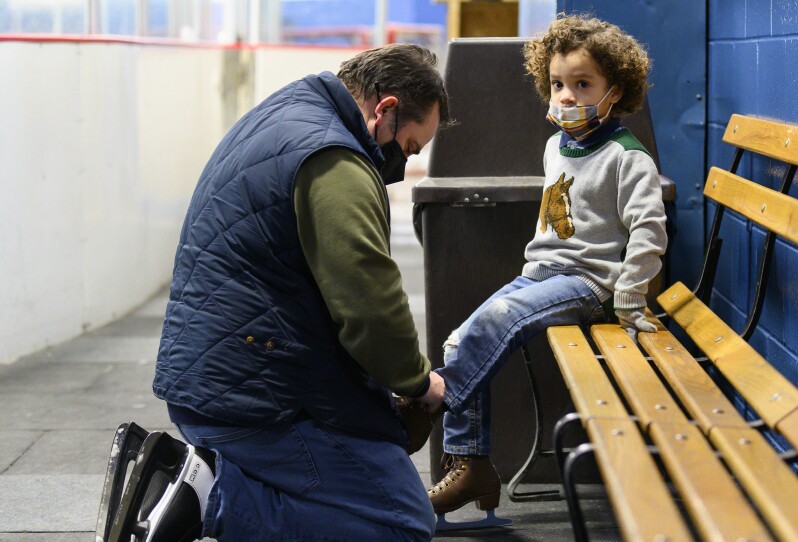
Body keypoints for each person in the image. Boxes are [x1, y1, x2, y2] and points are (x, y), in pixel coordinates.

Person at [111, 44, 450, 542]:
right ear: (386, 109)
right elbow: (370, 306)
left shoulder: (285, 111)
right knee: (402, 523)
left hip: (213, 376)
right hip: (255, 399)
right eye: (409, 147)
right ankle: (208, 497)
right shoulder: (335, 162)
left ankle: (197, 478)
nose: (401, 164)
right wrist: (419, 382)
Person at [426, 14, 667, 523]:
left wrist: (630, 290)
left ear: (614, 90)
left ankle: (429, 406)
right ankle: (472, 465)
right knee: (455, 340)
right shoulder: (555, 145)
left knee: (490, 325)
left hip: (589, 283)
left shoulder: (628, 158)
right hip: (542, 274)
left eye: (583, 84)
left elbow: (649, 230)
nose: (566, 96)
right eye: (558, 84)